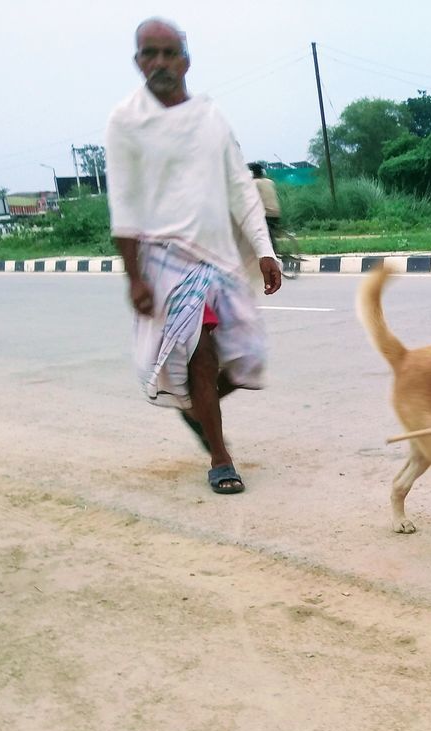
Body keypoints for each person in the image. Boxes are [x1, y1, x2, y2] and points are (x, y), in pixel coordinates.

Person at [105, 17, 281, 495]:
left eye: (168, 52)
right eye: (149, 53)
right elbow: (123, 205)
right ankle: (220, 458)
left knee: (248, 359)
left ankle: (192, 407)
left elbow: (240, 186)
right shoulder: (126, 121)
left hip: (219, 258)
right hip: (164, 261)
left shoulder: (210, 117)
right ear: (138, 61)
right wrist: (134, 278)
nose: (159, 62)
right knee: (201, 356)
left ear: (186, 59)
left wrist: (264, 250)